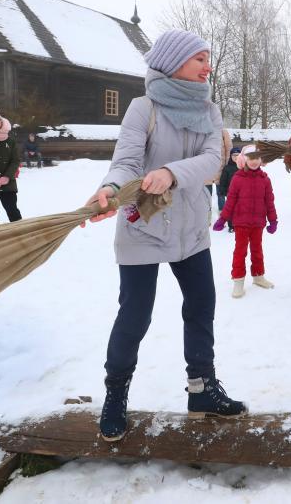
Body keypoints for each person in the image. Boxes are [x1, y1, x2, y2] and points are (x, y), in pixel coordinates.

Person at [82, 29, 247, 442]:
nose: (208, 66)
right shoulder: (144, 107)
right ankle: (116, 393)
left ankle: (202, 389)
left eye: (208, 59)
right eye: (200, 59)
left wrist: (171, 173)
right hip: (144, 225)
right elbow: (126, 161)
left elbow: (212, 161)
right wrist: (111, 189)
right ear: (174, 62)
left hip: (191, 228)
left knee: (201, 306)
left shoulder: (209, 111)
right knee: (135, 314)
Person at [213, 145, 278, 297]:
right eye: (250, 158)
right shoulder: (237, 178)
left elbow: (270, 201)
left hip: (258, 222)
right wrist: (223, 219)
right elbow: (230, 201)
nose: (254, 161)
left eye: (257, 158)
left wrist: (273, 220)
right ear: (244, 160)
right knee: (240, 251)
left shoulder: (265, 179)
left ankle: (258, 276)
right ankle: (238, 281)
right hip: (241, 222)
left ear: (261, 160)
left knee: (257, 250)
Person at [217, 146, 241, 232]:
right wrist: (222, 190)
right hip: (231, 193)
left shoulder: (244, 167)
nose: (236, 157)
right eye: (234, 155)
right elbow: (223, 181)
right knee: (232, 209)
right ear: (231, 156)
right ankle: (231, 226)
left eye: (238, 155)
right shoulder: (227, 168)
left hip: (243, 193)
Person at [205, 128, 233, 202]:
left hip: (221, 169)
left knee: (221, 193)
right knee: (206, 193)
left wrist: (227, 164)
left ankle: (222, 211)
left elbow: (229, 148)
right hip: (206, 168)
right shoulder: (202, 130)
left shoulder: (223, 132)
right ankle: (207, 211)